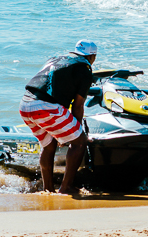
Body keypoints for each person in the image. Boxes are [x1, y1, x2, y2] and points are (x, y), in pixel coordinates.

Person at [18, 40, 97, 194]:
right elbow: (78, 105)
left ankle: (47, 189)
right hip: (45, 107)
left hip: (25, 104)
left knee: (48, 145)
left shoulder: (55, 58)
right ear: (92, 56)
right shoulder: (85, 69)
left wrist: (64, 132)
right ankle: (66, 187)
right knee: (80, 142)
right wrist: (74, 132)